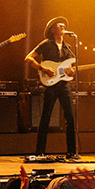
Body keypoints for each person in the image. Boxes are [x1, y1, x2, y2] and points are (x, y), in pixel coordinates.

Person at [25, 17, 78, 160]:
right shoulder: (46, 44)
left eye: (63, 25)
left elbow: (71, 67)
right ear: (53, 29)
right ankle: (40, 151)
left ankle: (72, 152)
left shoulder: (68, 47)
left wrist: (71, 72)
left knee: (70, 117)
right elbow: (29, 58)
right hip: (51, 84)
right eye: (59, 25)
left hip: (64, 84)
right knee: (46, 116)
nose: (63, 26)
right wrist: (42, 68)